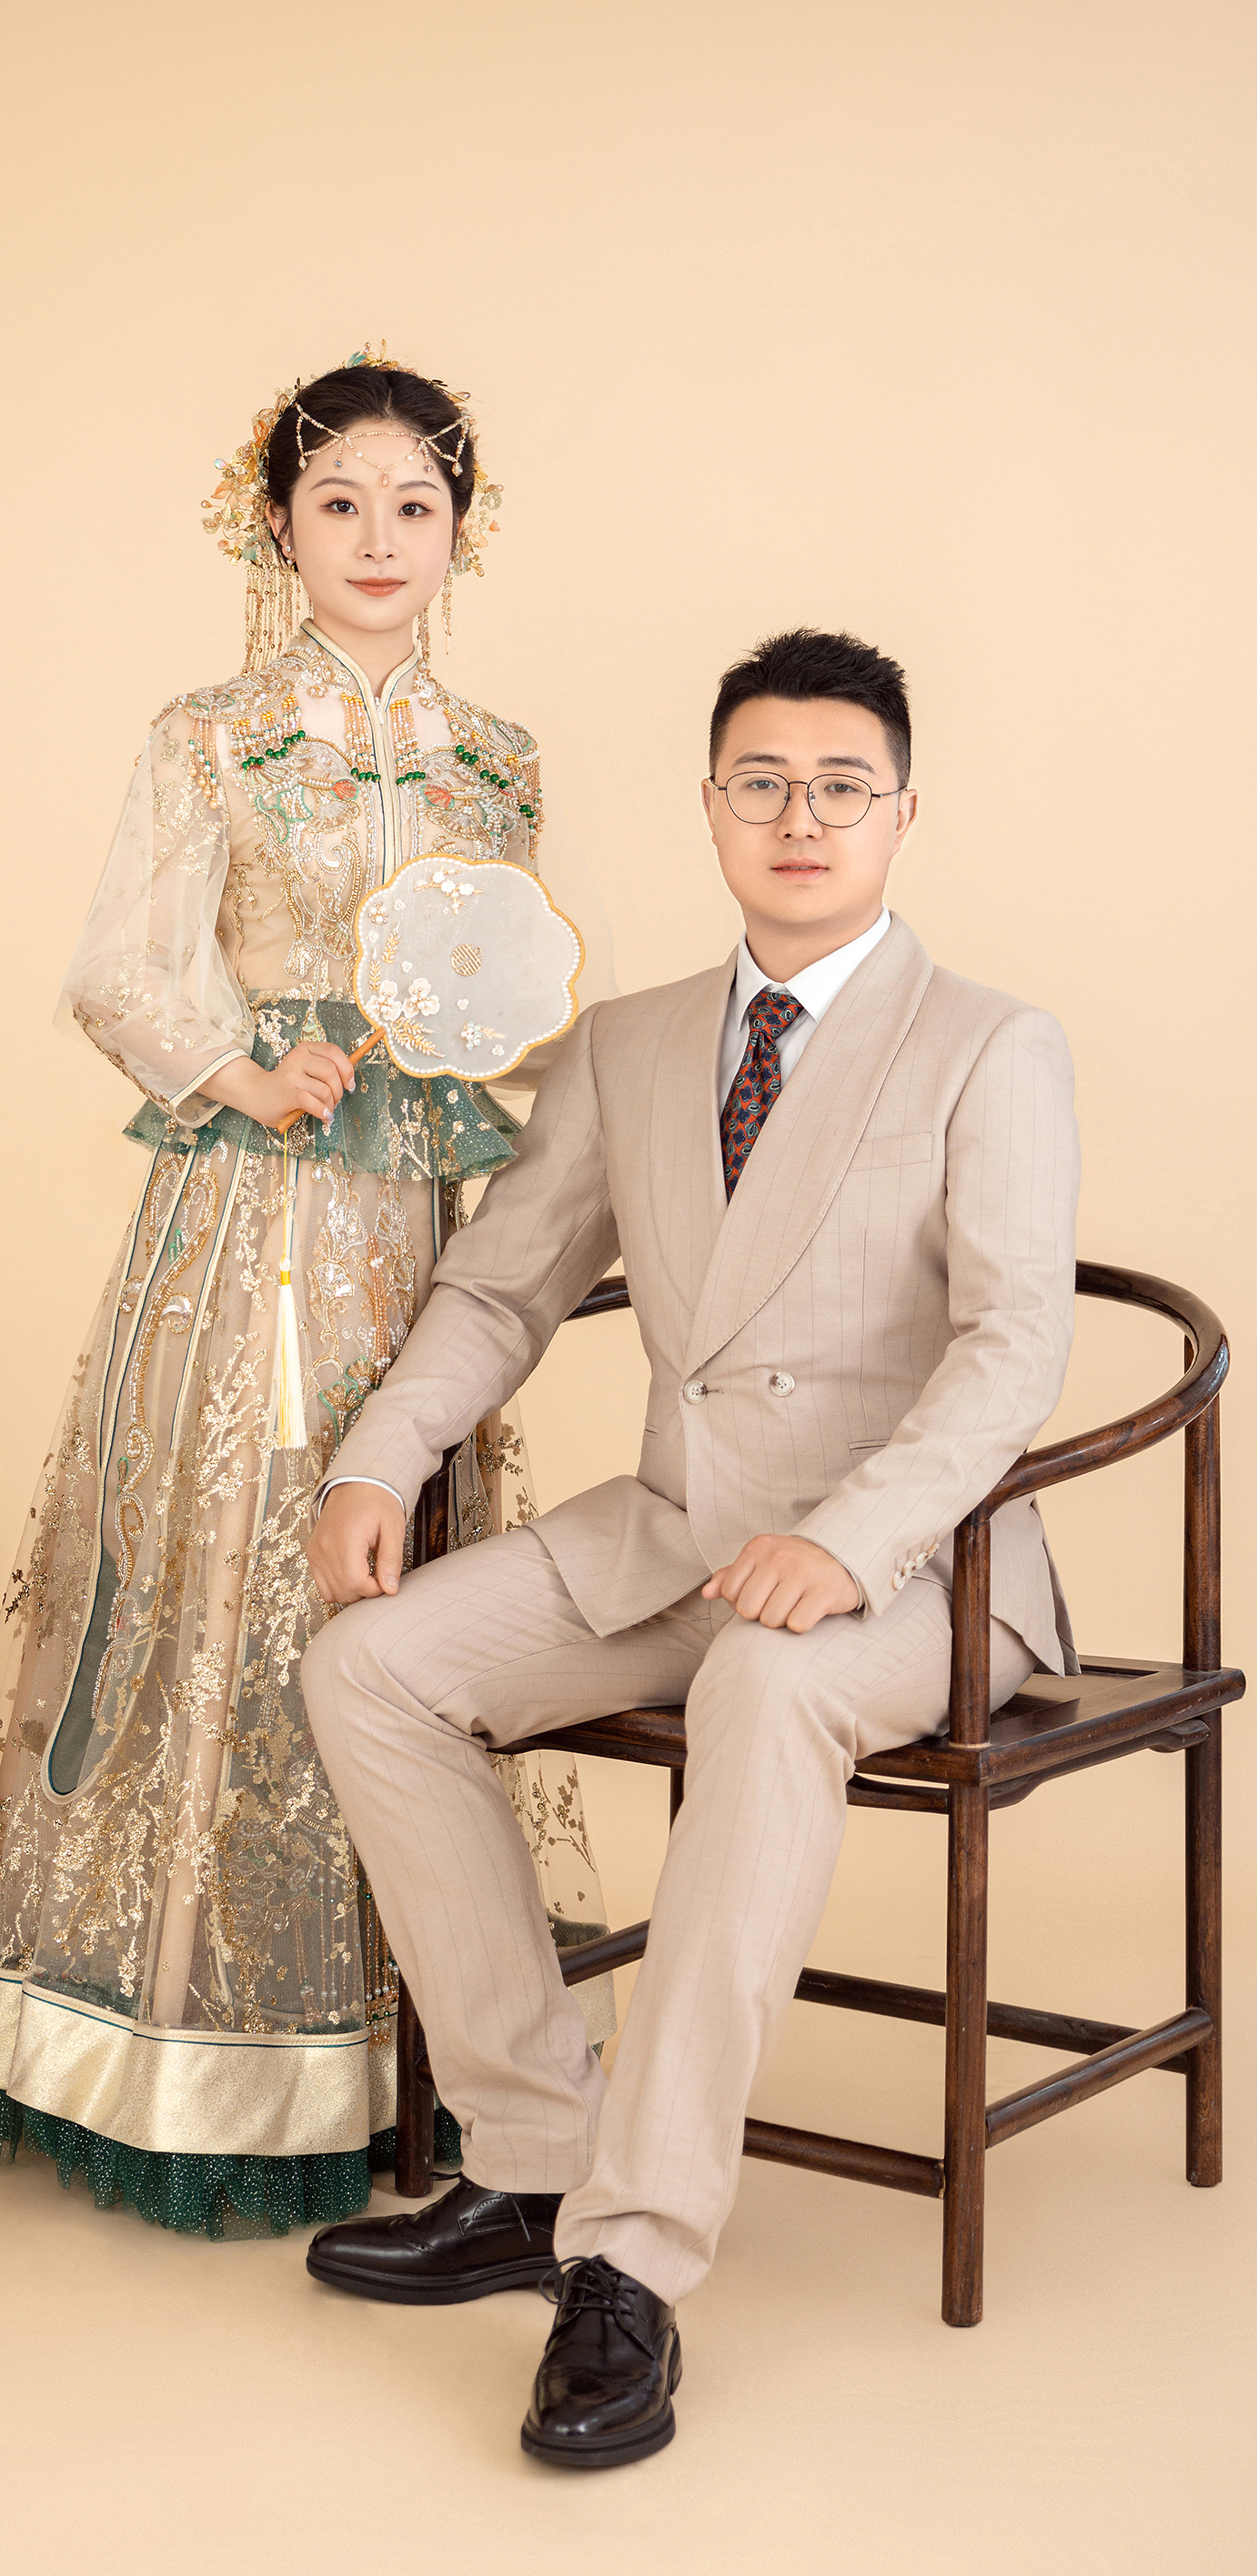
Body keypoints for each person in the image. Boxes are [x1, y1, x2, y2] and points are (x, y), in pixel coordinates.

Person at [300, 627, 1080, 2463]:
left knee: (763, 1686)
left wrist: (853, 1538)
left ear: (901, 813)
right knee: (369, 1664)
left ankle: (630, 2260)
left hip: (921, 1569)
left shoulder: (991, 1043)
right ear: (711, 806)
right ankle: (533, 2153)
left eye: (839, 785)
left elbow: (1011, 1346)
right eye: (762, 782)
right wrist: (379, 1459)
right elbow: (501, 1287)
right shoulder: (633, 1042)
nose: (799, 816)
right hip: (673, 1536)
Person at [0, 352, 617, 2237]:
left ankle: (427, 2051)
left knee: (412, 1568)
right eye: (338, 501)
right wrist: (236, 1067)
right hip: (243, 1228)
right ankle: (181, 2041)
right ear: (273, 524)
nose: (377, 537)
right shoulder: (208, 733)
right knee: (228, 1562)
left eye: (414, 505)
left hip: (419, 1227)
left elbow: (503, 983)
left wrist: (494, 1057)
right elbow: (119, 962)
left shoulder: (498, 758)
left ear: (460, 534)